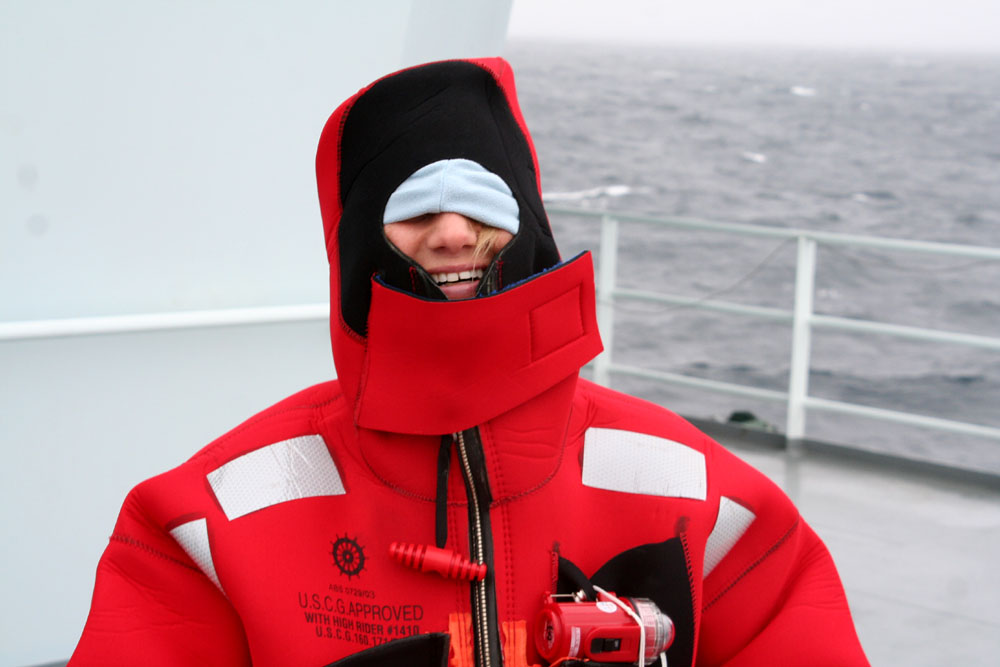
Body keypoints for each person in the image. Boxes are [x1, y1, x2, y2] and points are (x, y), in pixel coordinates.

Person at [68, 58, 868, 667]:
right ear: (355, 245)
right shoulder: (204, 523)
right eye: (411, 206)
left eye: (481, 200)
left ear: (530, 223)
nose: (451, 232)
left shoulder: (710, 502)